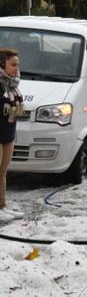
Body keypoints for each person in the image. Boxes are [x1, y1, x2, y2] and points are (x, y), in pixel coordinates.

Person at [0, 48, 25, 222]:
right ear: (2, 64)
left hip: (8, 134)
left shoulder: (13, 85)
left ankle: (2, 206)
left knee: (2, 173)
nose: (17, 68)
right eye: (13, 64)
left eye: (18, 64)